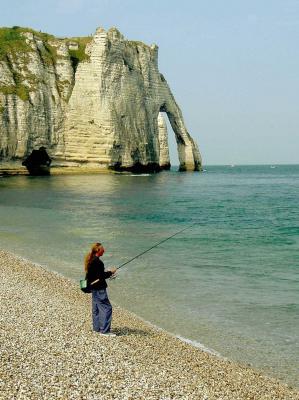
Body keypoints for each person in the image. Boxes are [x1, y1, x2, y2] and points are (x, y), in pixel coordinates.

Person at [84, 242, 117, 336]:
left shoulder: (91, 260)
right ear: (98, 250)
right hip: (99, 289)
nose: (104, 250)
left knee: (96, 308)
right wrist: (111, 272)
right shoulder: (98, 262)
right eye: (102, 249)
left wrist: (106, 273)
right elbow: (101, 276)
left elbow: (95, 275)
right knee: (107, 308)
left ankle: (96, 328)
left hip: (93, 288)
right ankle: (105, 331)